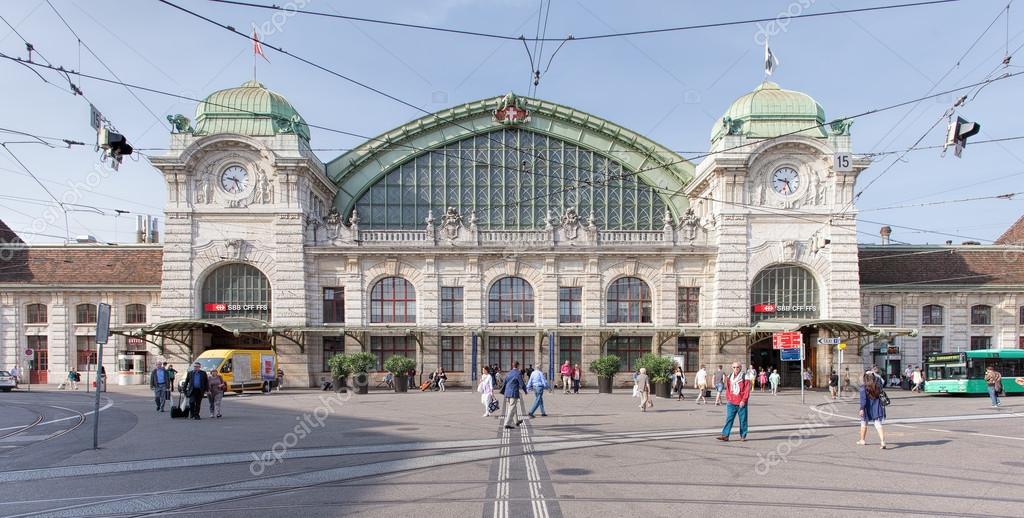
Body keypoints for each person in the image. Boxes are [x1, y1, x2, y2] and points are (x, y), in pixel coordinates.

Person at [717, 363, 752, 442]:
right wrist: (728, 398)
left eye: (737, 367)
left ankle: (743, 436)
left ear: (740, 368)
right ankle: (725, 435)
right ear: (732, 368)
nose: (736, 368)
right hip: (731, 402)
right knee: (729, 419)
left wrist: (743, 400)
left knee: (743, 420)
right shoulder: (729, 376)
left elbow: (747, 390)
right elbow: (728, 389)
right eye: (734, 367)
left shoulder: (745, 376)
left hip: (741, 402)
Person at [858, 372, 887, 449]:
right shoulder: (878, 386)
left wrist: (861, 409)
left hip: (867, 407)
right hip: (876, 407)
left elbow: (863, 399)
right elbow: (882, 381)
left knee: (864, 423)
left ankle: (862, 440)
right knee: (878, 424)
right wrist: (874, 373)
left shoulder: (863, 387)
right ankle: (882, 441)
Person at [502, 362, 526, 429]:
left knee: (513, 406)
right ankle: (507, 424)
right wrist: (525, 391)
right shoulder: (518, 373)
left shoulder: (509, 373)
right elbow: (521, 383)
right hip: (513, 392)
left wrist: (504, 391)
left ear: (512, 366)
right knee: (512, 407)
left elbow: (504, 382)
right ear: (518, 366)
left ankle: (516, 421)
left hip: (507, 392)